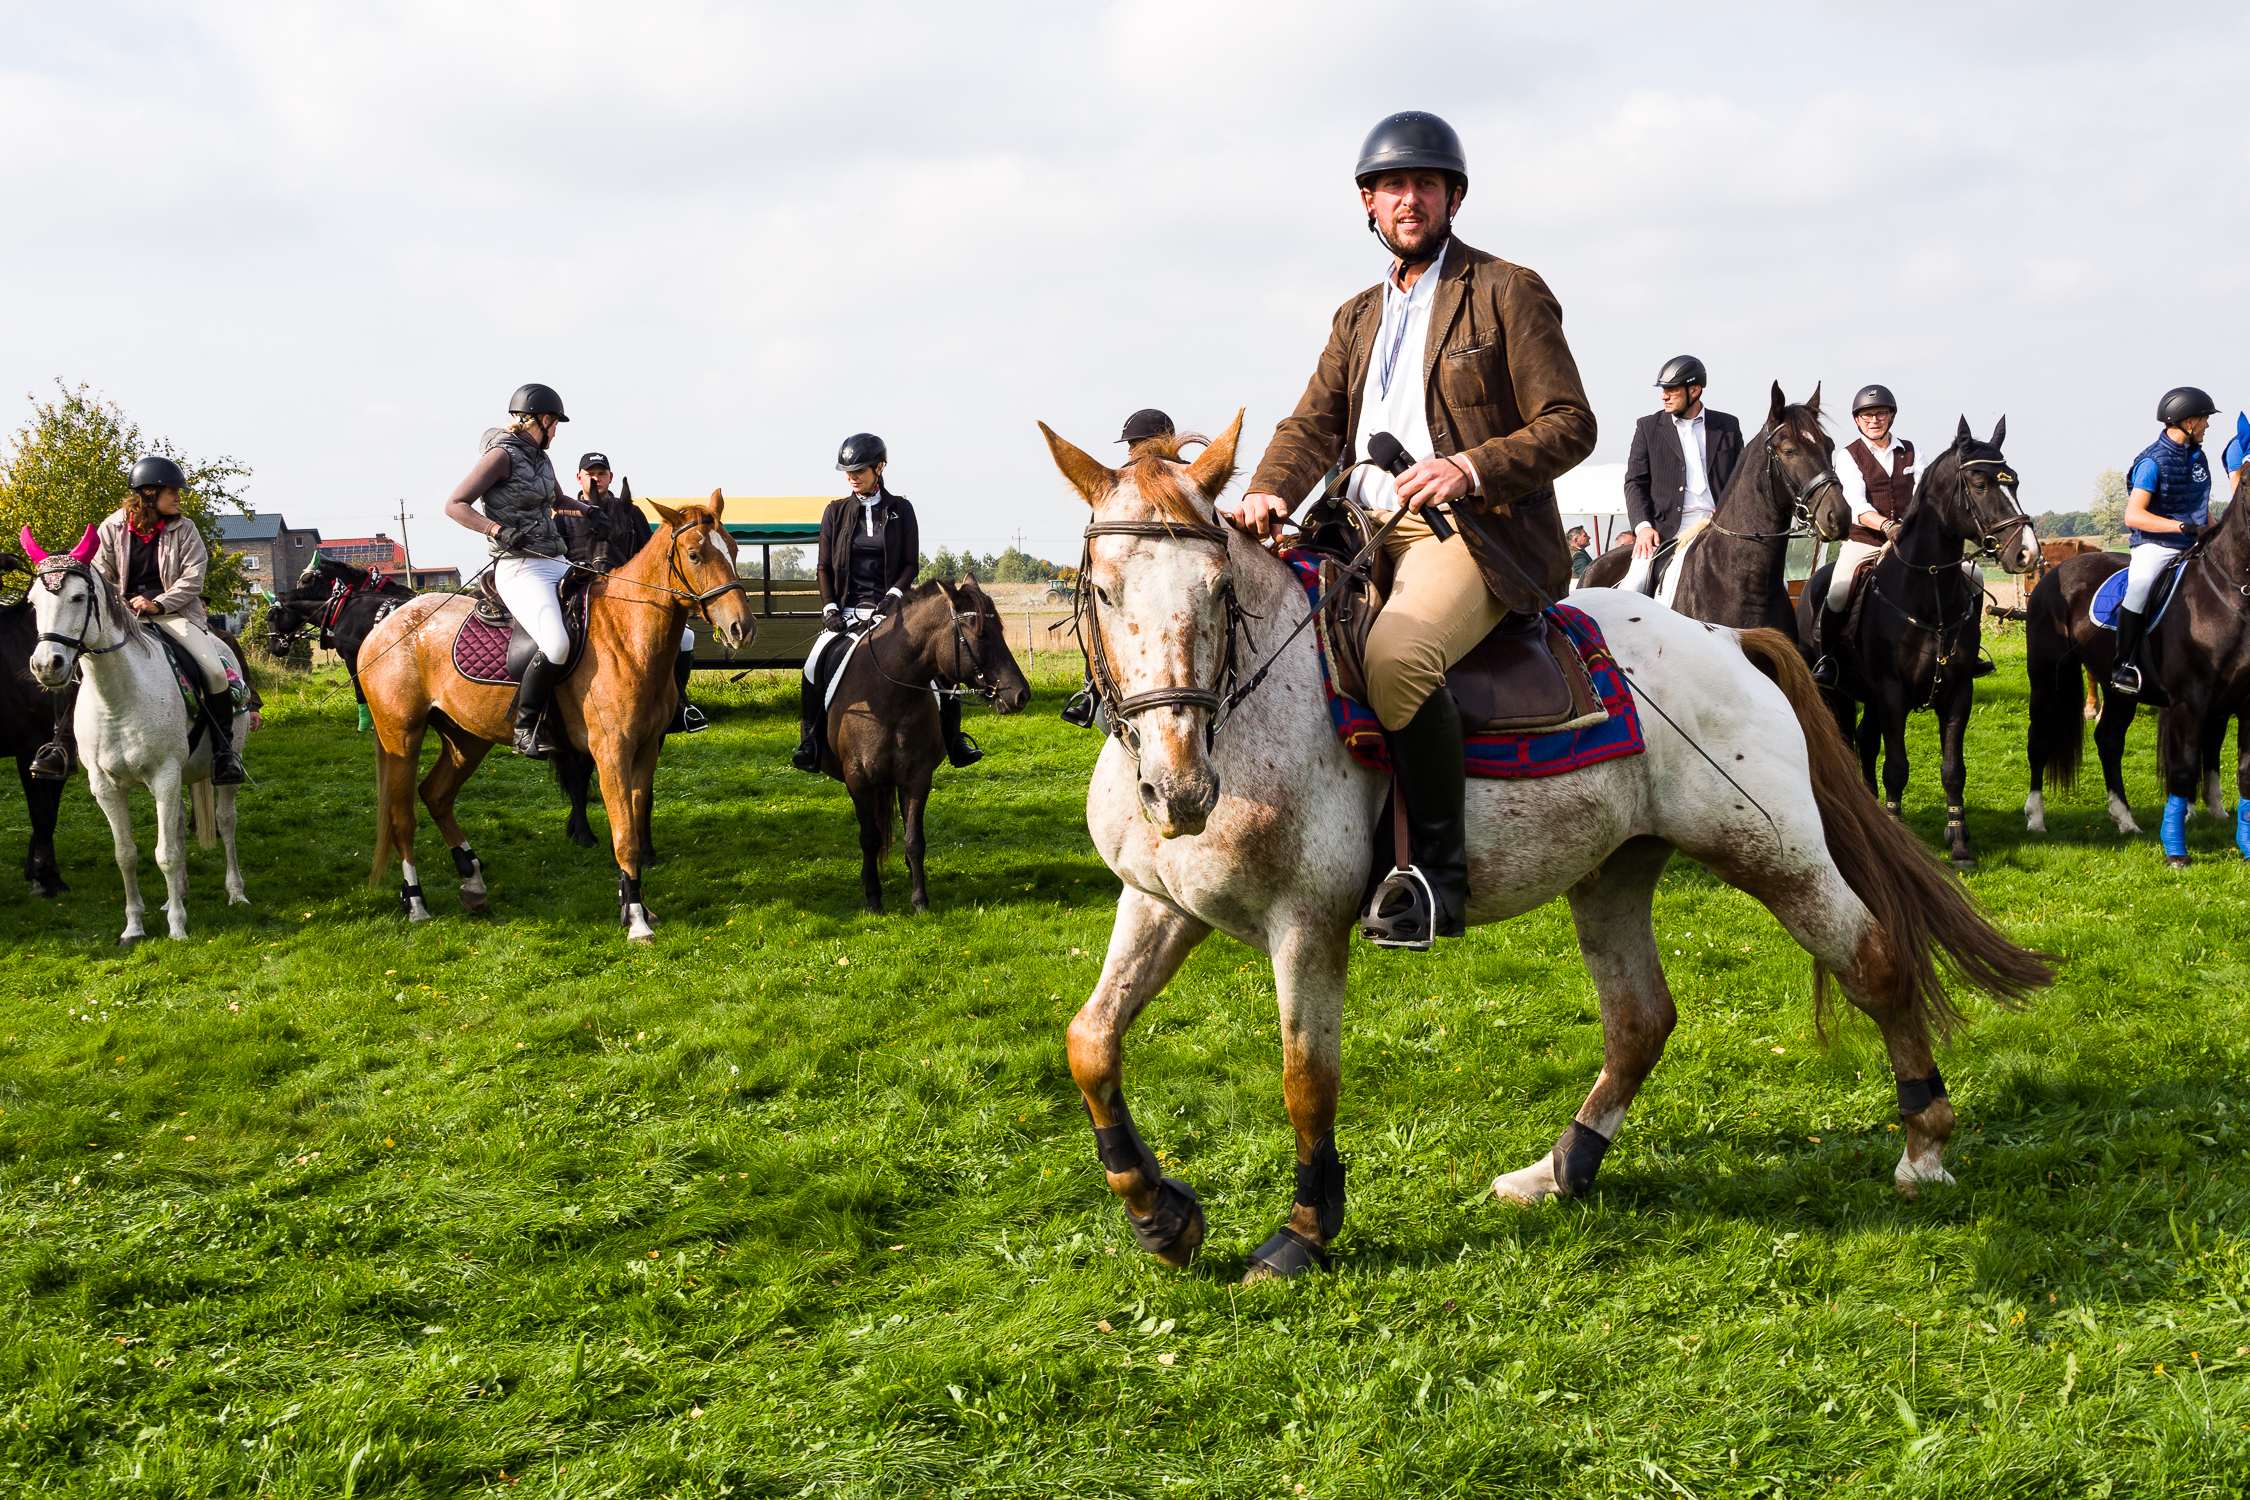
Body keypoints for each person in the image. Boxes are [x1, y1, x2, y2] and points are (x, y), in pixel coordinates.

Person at [1224, 110, 1597, 950]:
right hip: (1352, 526)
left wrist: (1468, 467)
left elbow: (1571, 422)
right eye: (1392, 186)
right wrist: (1264, 493)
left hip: (1464, 532)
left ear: (1452, 198)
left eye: (1425, 184)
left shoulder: (1507, 289)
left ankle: (1434, 877)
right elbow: (1311, 426)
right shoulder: (1355, 316)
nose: (1409, 199)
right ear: (1368, 204)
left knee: (1397, 659)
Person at [29, 456, 248, 785]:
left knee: (215, 670)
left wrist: (157, 603)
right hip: (122, 617)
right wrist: (122, 602)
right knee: (72, 664)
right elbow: (99, 576)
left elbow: (193, 579)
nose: (178, 498)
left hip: (176, 615)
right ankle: (60, 747)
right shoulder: (112, 527)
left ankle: (223, 753)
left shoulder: (184, 529)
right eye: (172, 492)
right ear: (148, 493)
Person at [792, 433, 980, 772]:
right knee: (813, 665)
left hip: (894, 611)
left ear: (879, 468)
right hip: (846, 613)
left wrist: (893, 597)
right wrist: (830, 609)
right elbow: (823, 566)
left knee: (938, 667)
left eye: (859, 469)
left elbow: (910, 563)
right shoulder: (834, 512)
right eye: (847, 470)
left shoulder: (901, 510)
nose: (852, 476)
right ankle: (811, 742)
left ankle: (954, 739)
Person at [441, 384, 605, 758]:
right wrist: (496, 529)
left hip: (555, 559)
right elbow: (454, 504)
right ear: (545, 421)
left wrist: (588, 511)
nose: (556, 431)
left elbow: (557, 498)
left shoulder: (542, 458)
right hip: (518, 567)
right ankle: (525, 727)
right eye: (556, 424)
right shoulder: (500, 456)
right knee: (556, 643)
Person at [562, 452, 704, 734]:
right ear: (579, 477)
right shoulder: (564, 514)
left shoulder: (630, 512)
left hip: (628, 602)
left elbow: (649, 556)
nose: (596, 478)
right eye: (590, 473)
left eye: (601, 473)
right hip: (580, 599)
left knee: (686, 636)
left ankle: (678, 706)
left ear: (610, 478)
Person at [2110, 387, 2218, 694]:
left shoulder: (2198, 457)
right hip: (2155, 545)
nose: (2207, 426)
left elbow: (2201, 504)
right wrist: (2182, 527)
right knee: (2141, 584)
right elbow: (2134, 516)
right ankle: (2124, 665)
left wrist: (2216, 532)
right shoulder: (2151, 463)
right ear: (2187, 422)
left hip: (2195, 543)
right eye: (2204, 420)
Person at [1812, 384, 1919, 686]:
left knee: (1972, 575)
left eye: (1880, 414)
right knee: (1837, 593)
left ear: (1891, 417)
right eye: (1867, 415)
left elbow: (1924, 494)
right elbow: (1857, 506)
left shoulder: (1912, 451)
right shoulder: (1847, 456)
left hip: (1909, 541)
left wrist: (1912, 529)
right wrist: (1887, 526)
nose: (1874, 420)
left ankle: (1969, 648)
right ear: (1858, 420)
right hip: (1866, 542)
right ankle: (1828, 659)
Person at [1622, 357, 1744, 588]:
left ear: (1695, 390)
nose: (1664, 396)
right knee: (1633, 586)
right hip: (1667, 530)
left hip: (1721, 525)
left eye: (1672, 390)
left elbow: (1741, 479)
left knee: (1779, 585)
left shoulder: (1728, 425)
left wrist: (1731, 508)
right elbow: (1634, 483)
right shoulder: (1647, 427)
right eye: (1663, 390)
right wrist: (1643, 527)